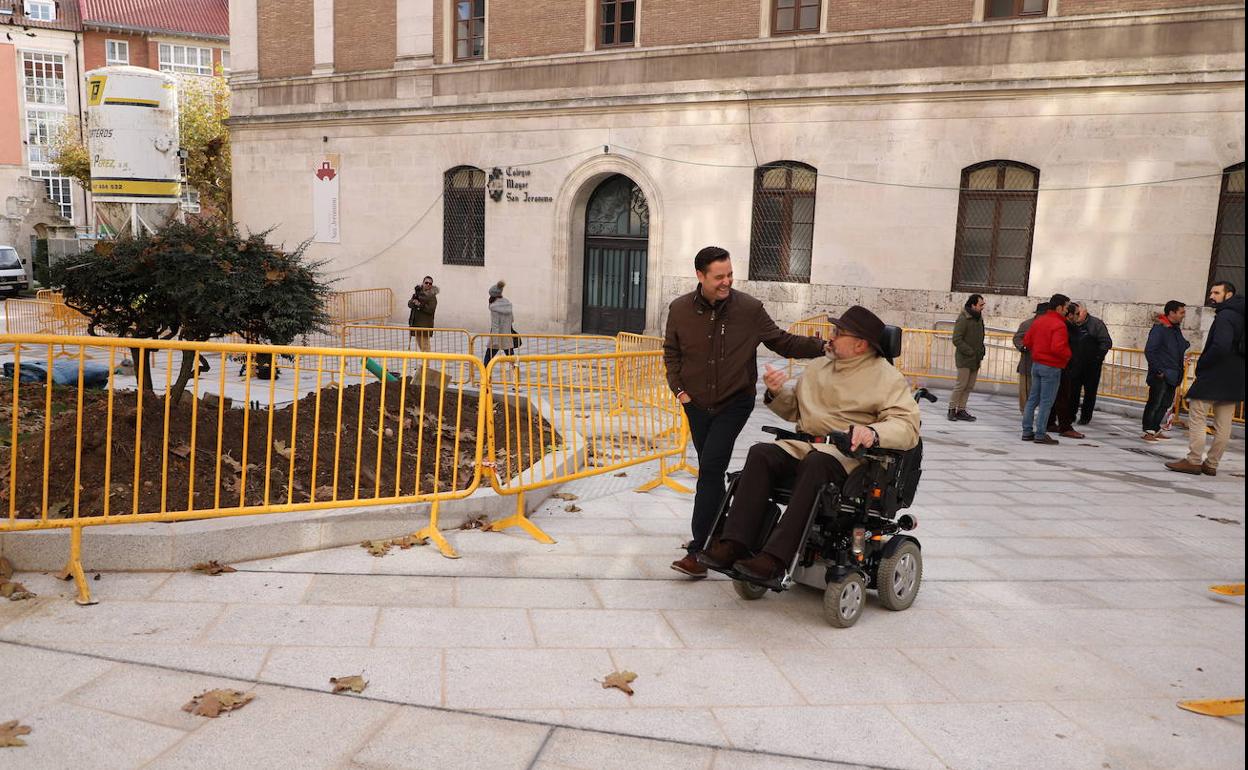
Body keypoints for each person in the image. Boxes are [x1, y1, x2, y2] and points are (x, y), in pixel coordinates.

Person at [698, 305, 921, 582]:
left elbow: (908, 426)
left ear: (860, 344)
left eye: (839, 333)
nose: (831, 336)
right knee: (761, 453)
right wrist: (776, 391)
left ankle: (776, 559)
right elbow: (795, 411)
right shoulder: (818, 367)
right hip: (805, 446)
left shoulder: (886, 377)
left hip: (848, 456)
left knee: (817, 463)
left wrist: (872, 432)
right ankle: (734, 543)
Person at [662, 246, 826, 578]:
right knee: (711, 468)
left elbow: (781, 341)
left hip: (734, 403)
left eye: (730, 275)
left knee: (710, 469)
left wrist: (820, 346)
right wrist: (679, 391)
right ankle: (723, 534)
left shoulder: (749, 309)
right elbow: (671, 352)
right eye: (719, 276)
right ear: (700, 276)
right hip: (695, 404)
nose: (726, 282)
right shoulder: (679, 310)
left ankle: (700, 550)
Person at [1166, 281, 1244, 476]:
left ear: (1229, 295)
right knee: (1224, 423)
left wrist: (1203, 364)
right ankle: (1212, 464)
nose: (1212, 296)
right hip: (1235, 375)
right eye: (1211, 292)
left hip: (1216, 373)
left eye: (1217, 292)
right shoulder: (1241, 315)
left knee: (1197, 414)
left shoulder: (1226, 315)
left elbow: (1221, 346)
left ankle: (1193, 460)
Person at [1021, 294, 1071, 445]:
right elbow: (1058, 348)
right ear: (1059, 307)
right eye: (1066, 307)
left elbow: (1027, 341)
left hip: (1036, 365)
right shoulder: (1059, 324)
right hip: (1052, 366)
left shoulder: (1039, 320)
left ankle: (1027, 431)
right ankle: (1041, 434)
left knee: (1032, 400)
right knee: (1046, 402)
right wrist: (1068, 355)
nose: (1068, 311)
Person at [1142, 300, 1189, 441]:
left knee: (1165, 404)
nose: (1183, 316)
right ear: (1172, 313)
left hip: (1173, 374)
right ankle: (1148, 431)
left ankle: (1155, 428)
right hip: (1161, 374)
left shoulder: (1175, 329)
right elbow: (1150, 351)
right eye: (1181, 313)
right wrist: (1159, 371)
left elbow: (1179, 346)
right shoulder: (1159, 329)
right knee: (1155, 403)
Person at [1067, 303, 1113, 425]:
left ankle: (1085, 417)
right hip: (1075, 364)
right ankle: (1070, 415)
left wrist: (1097, 358)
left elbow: (1106, 342)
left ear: (1085, 312)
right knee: (1073, 391)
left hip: (1092, 365)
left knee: (1090, 393)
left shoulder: (1096, 324)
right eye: (1075, 313)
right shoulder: (1071, 324)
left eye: (1078, 313)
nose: (1076, 316)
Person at [1047, 302, 1084, 440]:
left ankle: (1050, 422)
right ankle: (1065, 426)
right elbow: (1061, 347)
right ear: (1069, 315)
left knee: (1056, 396)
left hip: (1066, 366)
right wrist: (1068, 358)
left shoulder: (1071, 327)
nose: (1078, 317)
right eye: (1076, 314)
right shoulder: (1065, 327)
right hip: (1064, 366)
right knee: (1063, 397)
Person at [949, 294, 986, 422]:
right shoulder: (963, 318)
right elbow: (956, 339)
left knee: (969, 386)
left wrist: (981, 350)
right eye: (980, 305)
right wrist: (970, 351)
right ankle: (952, 409)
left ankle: (961, 409)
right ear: (973, 305)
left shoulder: (979, 318)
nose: (982, 307)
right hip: (965, 358)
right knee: (961, 385)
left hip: (976, 359)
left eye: (983, 305)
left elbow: (981, 336)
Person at [1013, 302, 1049, 413]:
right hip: (1027, 361)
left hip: (1043, 363)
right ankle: (1025, 410)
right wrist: (1022, 347)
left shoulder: (1049, 325)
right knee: (1025, 389)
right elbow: (1017, 338)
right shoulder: (1027, 324)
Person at [484, 280, 515, 367]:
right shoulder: (507, 303)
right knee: (513, 360)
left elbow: (495, 325)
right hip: (507, 336)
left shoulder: (494, 307)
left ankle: (485, 377)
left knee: (487, 360)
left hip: (496, 337)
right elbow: (512, 319)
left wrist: (495, 341)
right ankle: (516, 376)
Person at [407, 275, 439, 352]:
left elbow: (431, 309)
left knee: (425, 346)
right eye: (426, 282)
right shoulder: (417, 293)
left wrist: (420, 305)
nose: (428, 284)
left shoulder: (432, 297)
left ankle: (426, 363)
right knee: (420, 345)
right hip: (416, 323)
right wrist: (413, 302)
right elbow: (409, 304)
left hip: (425, 325)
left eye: (430, 283)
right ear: (423, 283)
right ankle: (425, 362)